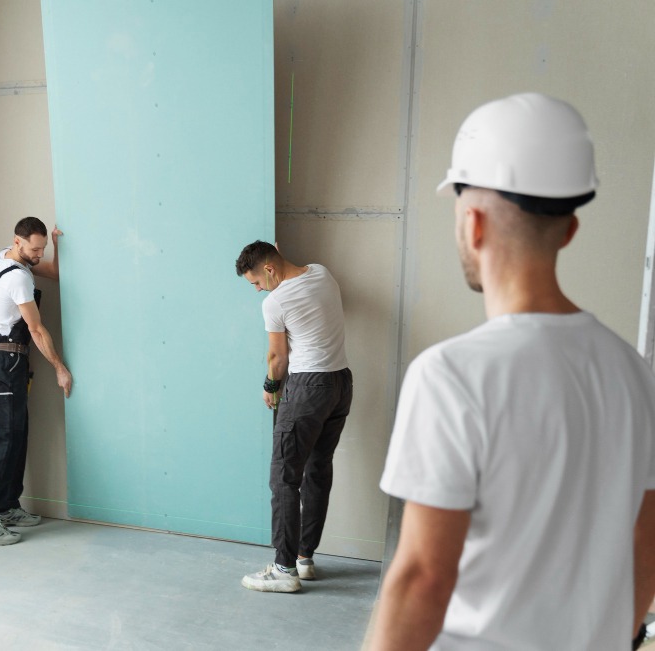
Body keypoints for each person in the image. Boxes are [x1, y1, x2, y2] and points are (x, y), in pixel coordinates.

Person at [370, 93, 655, 650]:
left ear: (473, 224)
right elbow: (647, 543)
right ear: (569, 230)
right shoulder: (634, 374)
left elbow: (423, 578)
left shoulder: (450, 376)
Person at [234, 241, 353, 592]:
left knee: (284, 476)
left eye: (257, 281)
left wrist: (270, 386)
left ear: (269, 269)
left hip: (307, 388)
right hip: (340, 383)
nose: (258, 289)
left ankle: (284, 570)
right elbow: (285, 266)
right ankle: (304, 558)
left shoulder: (275, 302)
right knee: (317, 469)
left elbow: (278, 357)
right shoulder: (321, 273)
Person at [0, 216, 73, 546]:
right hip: (4, 364)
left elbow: (55, 273)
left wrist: (56, 247)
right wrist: (59, 367)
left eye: (42, 248)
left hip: (8, 361)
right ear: (18, 241)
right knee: (6, 440)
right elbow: (36, 330)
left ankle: (7, 506)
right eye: (35, 249)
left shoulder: (5, 257)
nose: (39, 255)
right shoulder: (17, 279)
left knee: (17, 436)